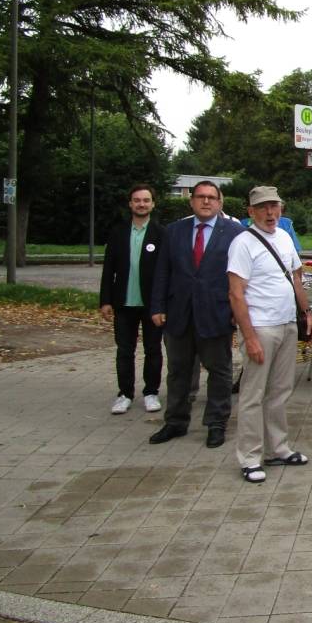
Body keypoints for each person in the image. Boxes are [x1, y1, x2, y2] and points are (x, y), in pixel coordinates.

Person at [227, 187, 312, 483]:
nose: (270, 213)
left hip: (287, 324)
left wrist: (307, 313)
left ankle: (278, 448)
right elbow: (236, 293)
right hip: (261, 327)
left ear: (281, 208)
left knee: (280, 391)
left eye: (274, 207)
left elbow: (295, 277)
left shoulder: (284, 237)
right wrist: (249, 336)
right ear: (251, 212)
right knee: (253, 394)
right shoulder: (242, 243)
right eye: (263, 207)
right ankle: (250, 457)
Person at [149, 181, 243, 448]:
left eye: (211, 198)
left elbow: (241, 276)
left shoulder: (235, 233)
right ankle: (176, 422)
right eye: (200, 197)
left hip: (216, 314)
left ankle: (216, 423)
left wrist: (238, 310)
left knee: (220, 371)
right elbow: (163, 271)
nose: (206, 202)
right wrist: (157, 306)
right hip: (179, 313)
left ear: (219, 202)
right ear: (191, 201)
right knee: (178, 370)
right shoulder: (174, 231)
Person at [99, 184, 164, 415]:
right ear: (130, 204)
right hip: (124, 303)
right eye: (137, 200)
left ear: (153, 204)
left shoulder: (160, 233)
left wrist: (162, 303)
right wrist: (105, 300)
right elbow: (108, 269)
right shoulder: (118, 232)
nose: (141, 204)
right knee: (124, 350)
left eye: (146, 200)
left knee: (153, 349)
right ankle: (125, 393)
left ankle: (151, 392)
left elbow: (165, 272)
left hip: (152, 306)